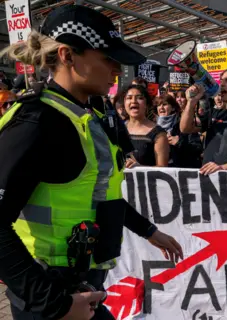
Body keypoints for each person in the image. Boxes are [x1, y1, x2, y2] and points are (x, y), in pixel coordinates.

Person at [0, 5, 183, 319]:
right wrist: (56, 304)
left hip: (81, 290)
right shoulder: (37, 121)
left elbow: (98, 195)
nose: (116, 69)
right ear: (68, 55)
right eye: (107, 58)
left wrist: (149, 230)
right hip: (52, 297)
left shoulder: (90, 117)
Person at [122, 85, 169, 168]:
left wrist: (139, 168)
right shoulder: (118, 128)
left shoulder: (159, 134)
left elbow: (162, 168)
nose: (134, 101)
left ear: (146, 104)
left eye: (139, 98)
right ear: (124, 102)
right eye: (129, 98)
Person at [156, 95, 203, 168]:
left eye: (164, 104)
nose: (161, 107)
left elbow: (197, 148)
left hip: (180, 170)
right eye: (158, 105)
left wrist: (179, 142)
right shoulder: (152, 126)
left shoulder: (183, 124)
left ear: (173, 108)